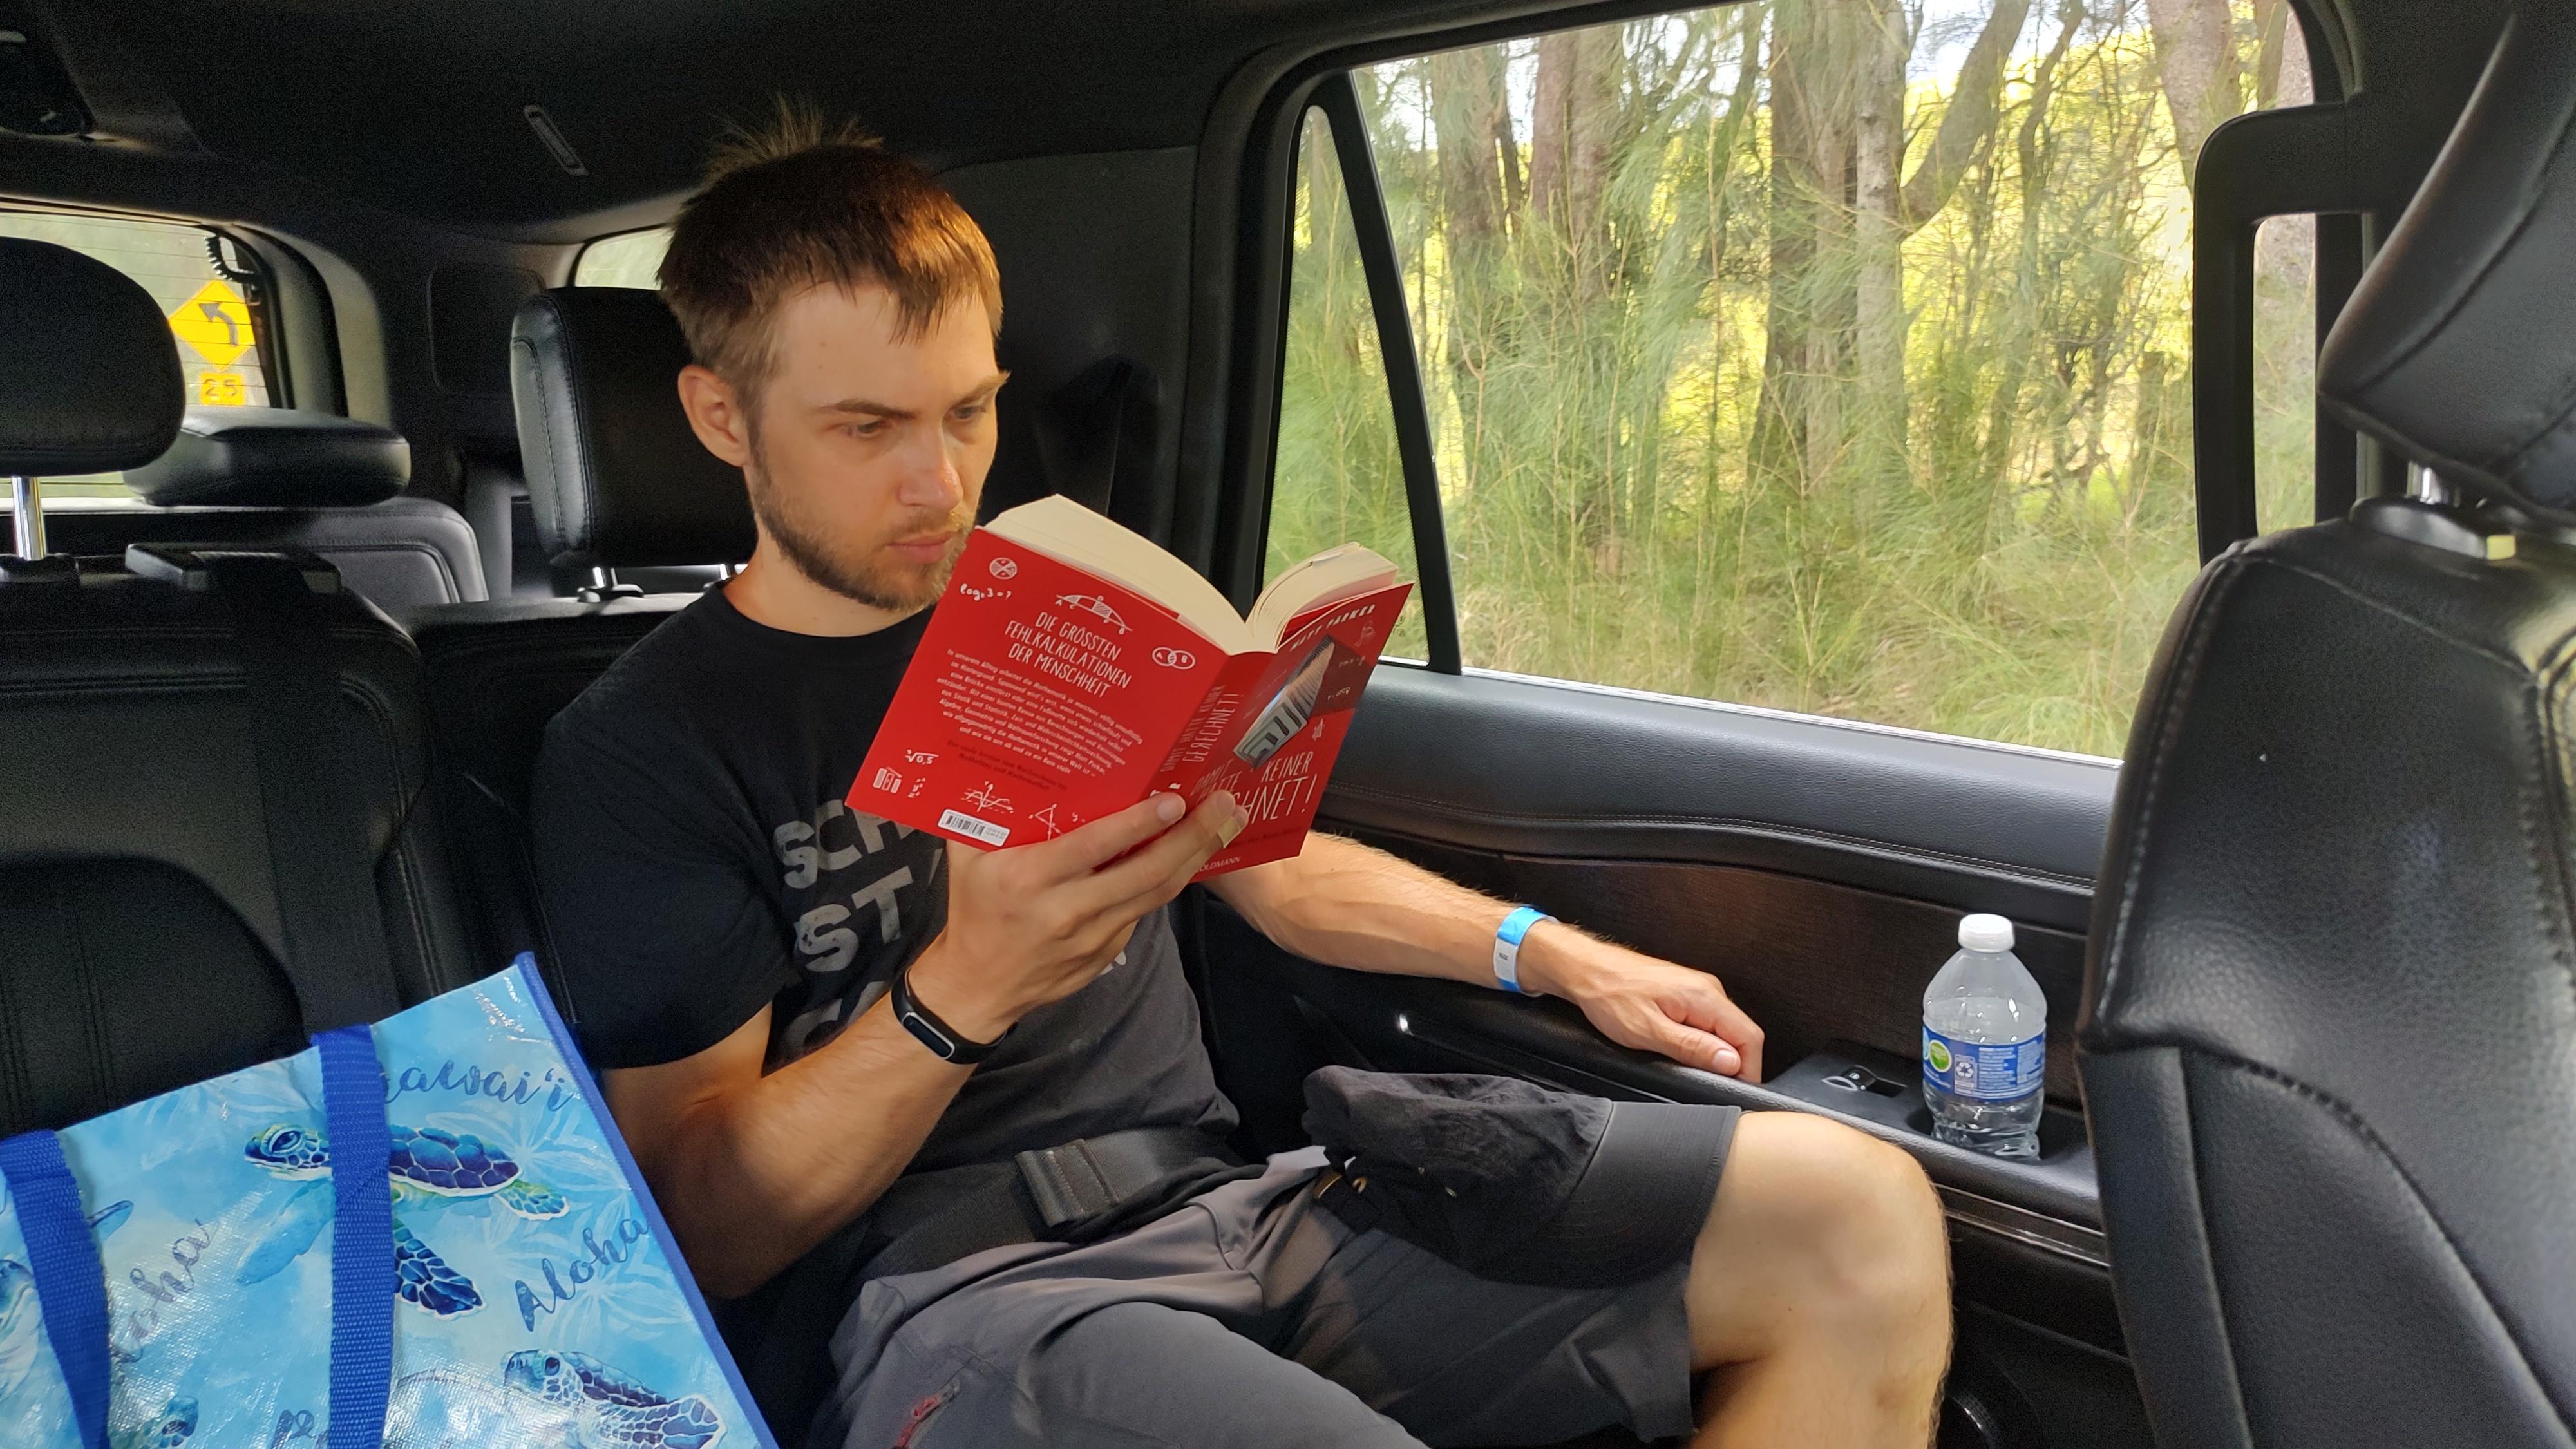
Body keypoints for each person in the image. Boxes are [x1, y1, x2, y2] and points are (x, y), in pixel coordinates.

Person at [531, 114, 1951, 1449]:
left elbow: (1255, 856)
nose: (940, 483)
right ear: (721, 417)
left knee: (1855, 1221)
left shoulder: (1053, 620)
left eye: (968, 411)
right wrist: (963, 986)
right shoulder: (644, 747)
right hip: (953, 1302)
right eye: (866, 428)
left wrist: (1549, 952)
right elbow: (701, 1223)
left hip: (1243, 1206)